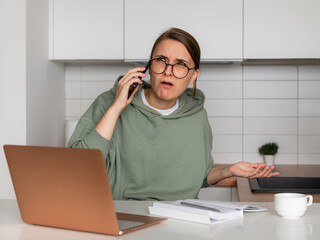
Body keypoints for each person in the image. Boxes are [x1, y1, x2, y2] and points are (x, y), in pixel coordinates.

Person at [68, 28, 279, 201]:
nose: (168, 71)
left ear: (194, 75)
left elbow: (199, 175)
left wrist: (228, 171)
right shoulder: (110, 102)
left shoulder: (197, 116)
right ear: (149, 67)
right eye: (161, 60)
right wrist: (116, 108)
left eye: (181, 64)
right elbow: (77, 168)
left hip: (182, 217)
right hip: (124, 216)